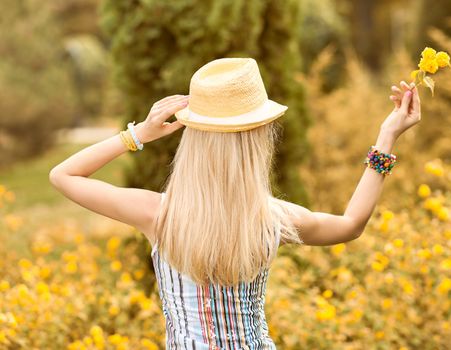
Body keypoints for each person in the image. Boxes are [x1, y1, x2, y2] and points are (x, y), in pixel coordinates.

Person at [49, 57, 421, 349]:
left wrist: (138, 135)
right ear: (258, 142)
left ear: (194, 139)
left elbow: (64, 175)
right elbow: (350, 224)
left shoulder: (159, 215)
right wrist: (387, 136)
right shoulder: (271, 218)